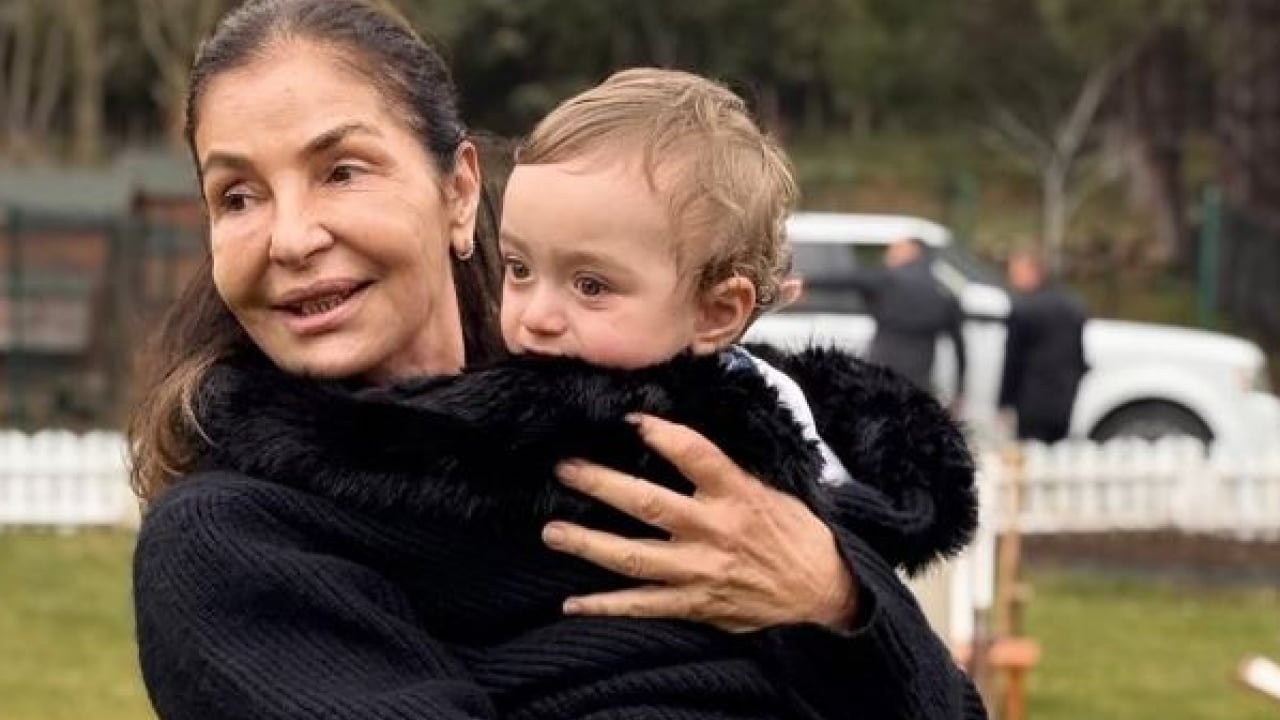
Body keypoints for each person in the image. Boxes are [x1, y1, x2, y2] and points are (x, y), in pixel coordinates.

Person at [128, 1, 985, 718]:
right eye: (237, 196)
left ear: (459, 192)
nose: (290, 237)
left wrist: (836, 597)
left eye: (343, 170)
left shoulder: (688, 432)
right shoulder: (228, 543)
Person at [847, 237, 967, 404]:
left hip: (881, 367)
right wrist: (960, 389)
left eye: (895, 249)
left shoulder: (888, 278)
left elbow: (846, 279)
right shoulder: (945, 291)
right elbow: (960, 345)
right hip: (919, 376)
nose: (887, 254)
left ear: (912, 252)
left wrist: (808, 282)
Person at [998, 248, 1089, 443]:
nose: (1011, 279)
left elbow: (1013, 359)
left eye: (1015, 273)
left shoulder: (1023, 308)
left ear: (1033, 272)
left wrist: (1005, 401)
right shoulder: (1072, 304)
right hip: (1064, 397)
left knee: (1029, 454)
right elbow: (1079, 355)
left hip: (1030, 399)